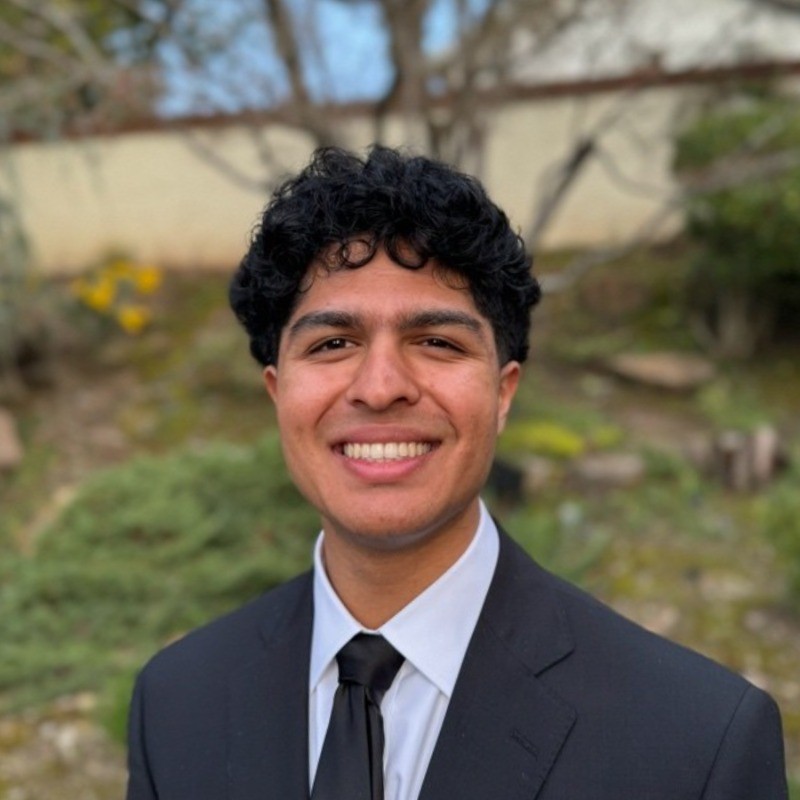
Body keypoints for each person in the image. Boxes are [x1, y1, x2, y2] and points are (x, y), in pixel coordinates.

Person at [126, 146, 788, 800]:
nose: (380, 387)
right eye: (333, 343)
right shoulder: (176, 705)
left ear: (503, 393)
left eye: (437, 342)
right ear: (278, 393)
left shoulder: (697, 743)